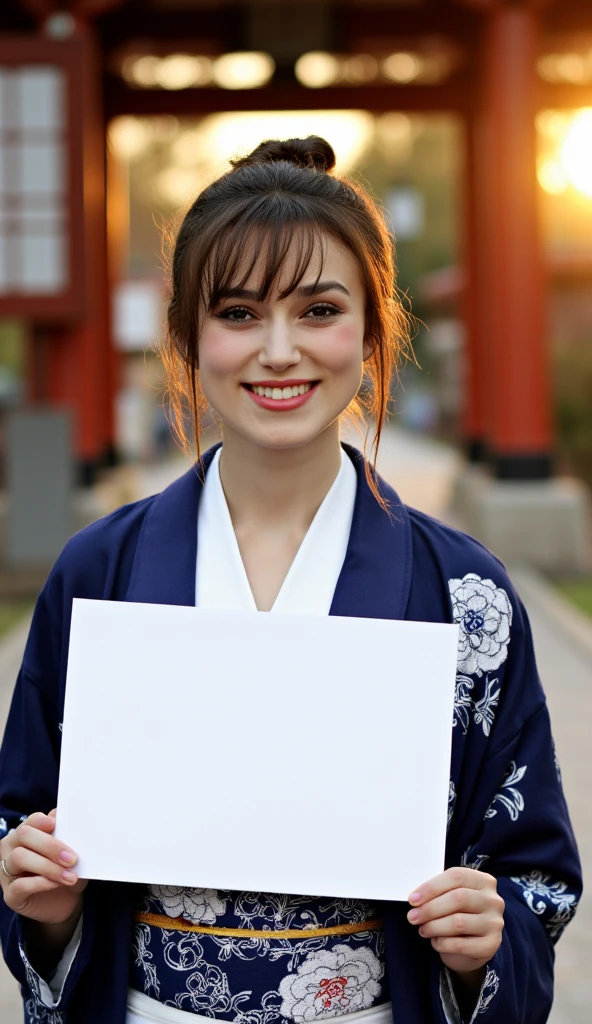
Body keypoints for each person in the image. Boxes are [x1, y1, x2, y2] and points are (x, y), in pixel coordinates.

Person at [0, 136, 581, 1024]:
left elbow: (531, 870)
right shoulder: (99, 574)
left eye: (318, 310)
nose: (279, 351)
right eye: (237, 312)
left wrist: (486, 935)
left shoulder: (468, 595)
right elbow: (21, 824)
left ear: (373, 325)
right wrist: (43, 907)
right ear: (187, 335)